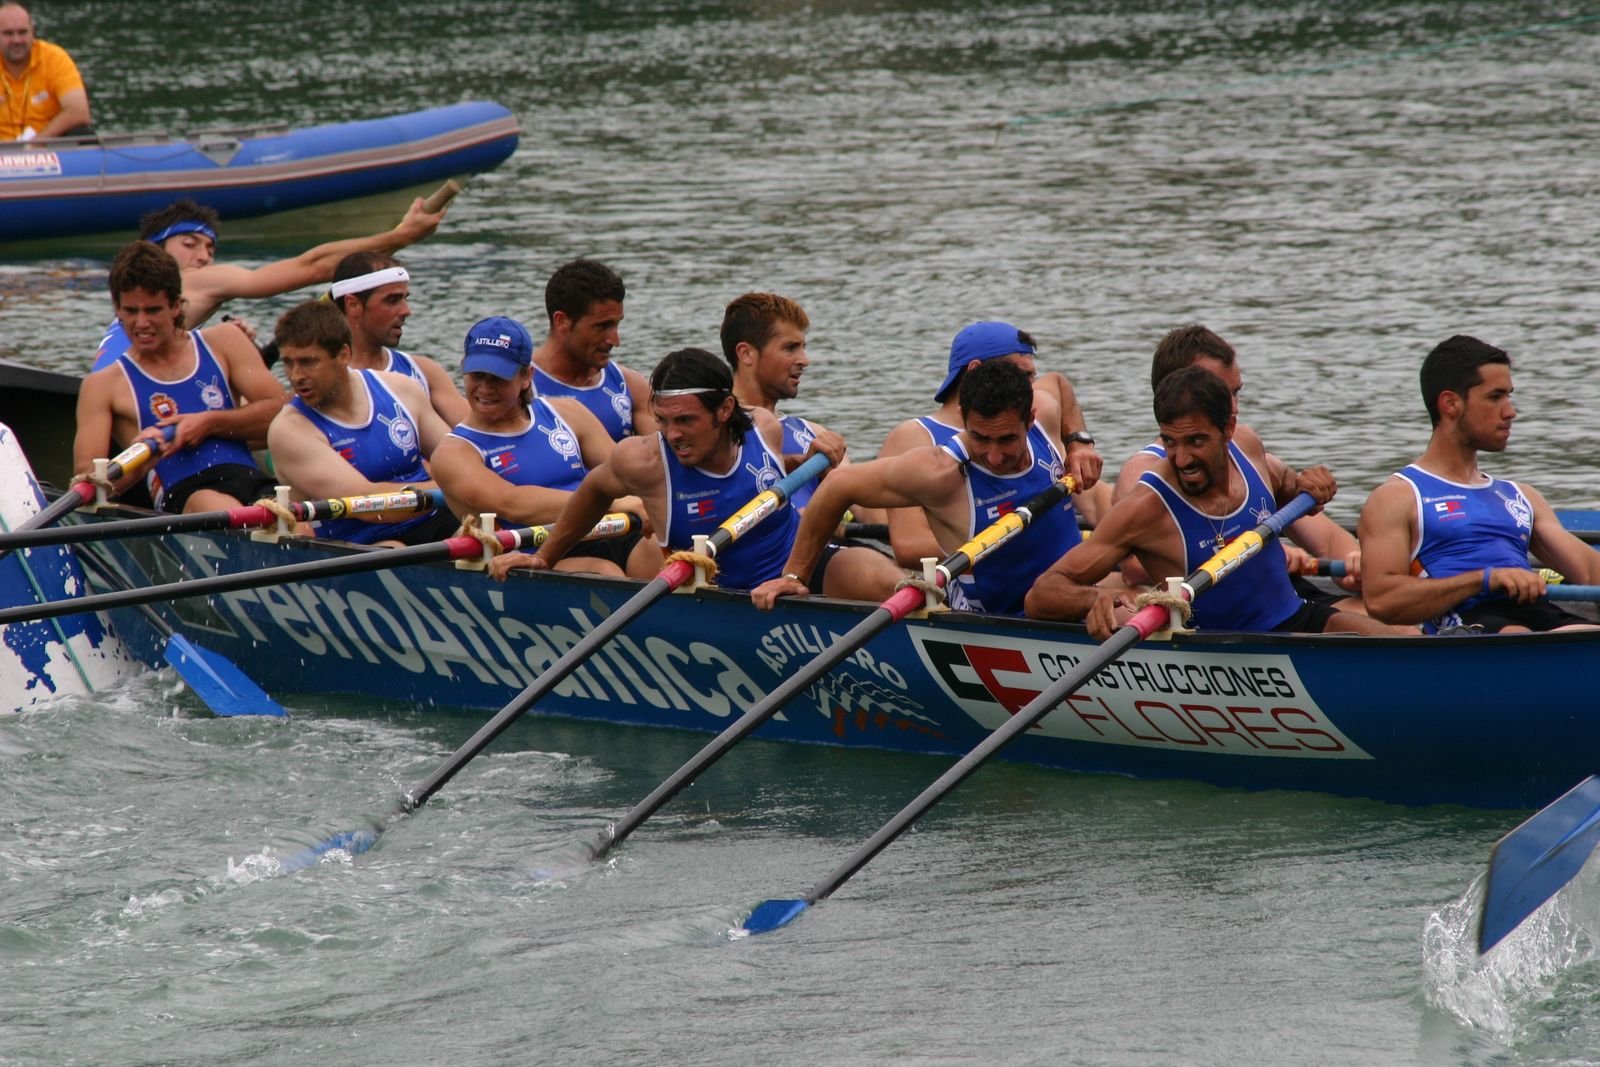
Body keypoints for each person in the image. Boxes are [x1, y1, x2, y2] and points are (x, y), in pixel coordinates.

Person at [491, 347, 897, 601]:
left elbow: (768, 472)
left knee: (879, 576)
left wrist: (812, 459)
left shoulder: (764, 427)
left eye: (686, 420)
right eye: (663, 421)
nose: (673, 435)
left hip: (797, 568)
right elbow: (595, 490)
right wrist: (545, 556)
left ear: (724, 411)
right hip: (716, 597)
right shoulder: (644, 462)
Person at [1026, 366, 1395, 638]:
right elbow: (1042, 594)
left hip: (1297, 616)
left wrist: (1313, 486)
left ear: (1228, 429)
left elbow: (1291, 491)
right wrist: (1093, 600)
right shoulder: (1146, 508)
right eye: (1170, 442)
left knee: (1399, 642)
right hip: (1223, 649)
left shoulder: (1248, 447)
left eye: (1196, 442)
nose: (1182, 459)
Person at [752, 359, 1080, 616]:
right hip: (1002, 620)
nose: (994, 456)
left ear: (1031, 418)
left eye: (1007, 439)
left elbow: (1058, 383)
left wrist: (1081, 443)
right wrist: (794, 576)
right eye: (980, 437)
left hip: (1073, 594)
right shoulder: (940, 472)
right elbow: (839, 485)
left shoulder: (1046, 416)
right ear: (964, 417)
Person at [1357, 335, 1600, 633]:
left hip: (1540, 614)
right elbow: (1382, 601)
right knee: (1525, 636)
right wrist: (1484, 579)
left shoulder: (1521, 496)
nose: (1510, 411)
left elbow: (1590, 571)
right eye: (1495, 397)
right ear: (1451, 403)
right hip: (1471, 623)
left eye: (1509, 396)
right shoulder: (1399, 497)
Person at [1115, 325, 1366, 611]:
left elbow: (1328, 540)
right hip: (1214, 613)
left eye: (1235, 393)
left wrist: (1354, 562)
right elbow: (1133, 568)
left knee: (1386, 616)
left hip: (1280, 598)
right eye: (1221, 395)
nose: (1233, 408)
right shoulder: (1142, 473)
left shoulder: (1245, 454)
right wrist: (1251, 553)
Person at [90, 195, 449, 371]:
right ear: (154, 250)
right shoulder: (192, 281)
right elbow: (311, 267)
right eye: (189, 244)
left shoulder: (146, 313)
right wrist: (401, 236)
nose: (202, 257)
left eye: (210, 249)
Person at [429, 315, 656, 577]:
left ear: (527, 377)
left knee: (661, 550)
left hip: (607, 531)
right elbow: (514, 504)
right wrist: (609, 504)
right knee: (604, 571)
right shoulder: (453, 453)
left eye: (498, 378)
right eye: (477, 376)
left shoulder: (568, 413)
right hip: (533, 550)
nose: (485, 388)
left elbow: (622, 474)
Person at [872, 321, 1107, 567]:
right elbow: (910, 545)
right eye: (1023, 376)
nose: (1031, 389)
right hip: (978, 578)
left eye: (1032, 376)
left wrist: (1079, 442)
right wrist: (1026, 542)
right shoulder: (915, 437)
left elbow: (1058, 383)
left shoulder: (1031, 411)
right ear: (976, 370)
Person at [72, 242, 284, 514]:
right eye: (131, 311)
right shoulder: (102, 385)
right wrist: (146, 459)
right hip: (184, 494)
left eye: (153, 310)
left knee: (296, 522)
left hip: (249, 481)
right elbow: (90, 488)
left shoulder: (224, 341)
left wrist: (207, 423)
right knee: (220, 507)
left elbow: (281, 412)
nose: (141, 323)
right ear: (117, 309)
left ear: (176, 306)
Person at [266, 299, 457, 547]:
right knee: (395, 550)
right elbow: (371, 506)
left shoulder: (401, 390)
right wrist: (456, 487)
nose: (296, 376)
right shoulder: (290, 431)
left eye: (308, 362)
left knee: (486, 531)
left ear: (344, 355)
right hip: (362, 542)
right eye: (288, 362)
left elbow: (458, 463)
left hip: (436, 519)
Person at [327, 252, 469, 426]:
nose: (406, 311)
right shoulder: (321, 381)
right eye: (392, 300)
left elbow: (480, 434)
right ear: (353, 305)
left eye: (404, 299)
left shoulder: (425, 372)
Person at [530, 258, 654, 441]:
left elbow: (662, 455)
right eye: (602, 326)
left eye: (616, 325)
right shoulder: (517, 389)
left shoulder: (632, 386)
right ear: (561, 321)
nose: (615, 341)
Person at [0, 3, 89, 142]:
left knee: (82, 132)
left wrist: (36, 144)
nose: (16, 40)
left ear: (32, 32)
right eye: (8, 33)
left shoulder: (54, 58)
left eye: (22, 32)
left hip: (47, 146)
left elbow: (79, 112)